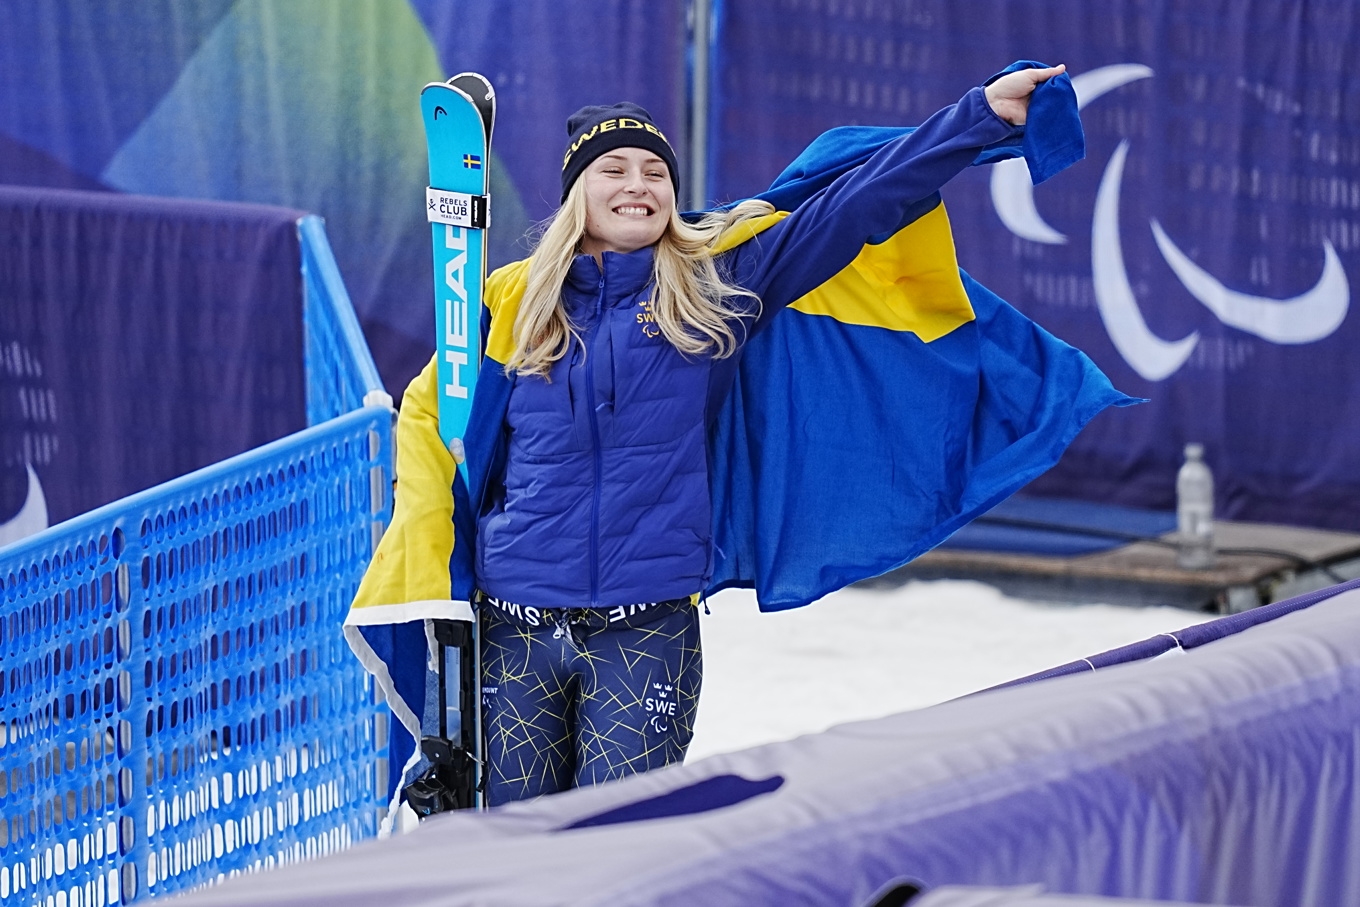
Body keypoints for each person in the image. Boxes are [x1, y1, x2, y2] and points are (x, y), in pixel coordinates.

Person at [356, 63, 1076, 807]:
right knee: (511, 857)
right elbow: (439, 433)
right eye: (614, 168)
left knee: (614, 851)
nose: (639, 183)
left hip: (645, 636)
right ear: (577, 193)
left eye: (655, 172)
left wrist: (978, 116)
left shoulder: (715, 288)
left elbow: (855, 205)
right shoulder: (506, 301)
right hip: (511, 633)